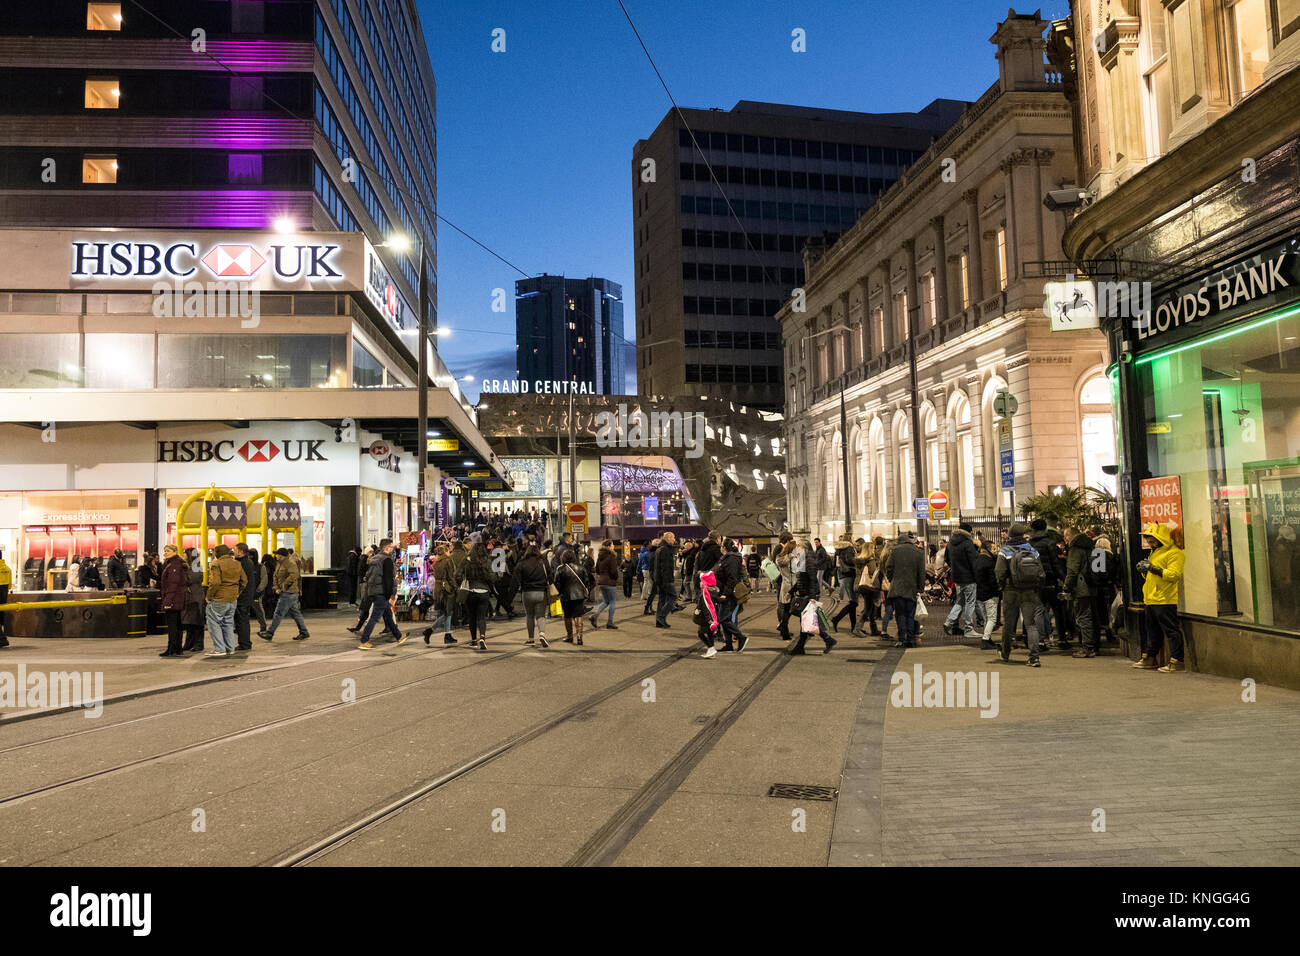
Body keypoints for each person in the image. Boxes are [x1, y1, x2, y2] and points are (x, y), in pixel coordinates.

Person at [1133, 522, 1186, 672]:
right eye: (1148, 540)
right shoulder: (1155, 552)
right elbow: (1154, 576)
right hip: (1151, 598)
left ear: (1161, 538)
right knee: (1153, 631)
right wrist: (1145, 570)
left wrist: (1152, 568)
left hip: (1165, 599)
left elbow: (1174, 575)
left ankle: (1177, 661)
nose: (1150, 543)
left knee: (1171, 631)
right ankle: (1150, 657)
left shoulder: (1174, 553)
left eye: (1152, 540)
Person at [995, 523, 1044, 667]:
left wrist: (1002, 586)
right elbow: (1041, 572)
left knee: (1009, 624)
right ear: (1023, 534)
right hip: (1029, 591)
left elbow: (999, 572)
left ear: (1009, 535)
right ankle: (1034, 657)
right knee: (1031, 624)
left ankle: (1005, 653)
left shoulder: (1005, 551)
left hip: (1011, 591)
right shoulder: (1032, 550)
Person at [357, 538, 406, 649]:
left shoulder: (374, 559)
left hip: (373, 591)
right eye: (392, 547)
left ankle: (398, 636)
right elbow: (389, 579)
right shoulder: (386, 560)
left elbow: (369, 576)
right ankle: (364, 640)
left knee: (388, 615)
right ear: (387, 548)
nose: (393, 549)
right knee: (374, 617)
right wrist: (392, 594)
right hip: (382, 592)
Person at [1029, 519, 1067, 648]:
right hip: (1050, 580)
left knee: (1039, 610)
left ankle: (1041, 640)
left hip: (1035, 581)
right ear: (1045, 528)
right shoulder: (1050, 543)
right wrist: (1063, 578)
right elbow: (1055, 564)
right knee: (1057, 610)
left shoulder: (1029, 544)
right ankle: (1062, 639)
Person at [882, 532, 925, 649]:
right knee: (911, 615)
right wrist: (920, 588)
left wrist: (892, 580)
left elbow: (888, 567)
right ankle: (910, 639)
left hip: (897, 587)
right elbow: (921, 573)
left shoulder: (895, 551)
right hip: (911, 588)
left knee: (900, 614)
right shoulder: (919, 552)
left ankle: (902, 639)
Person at [1062, 526, 1099, 658]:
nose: (1065, 540)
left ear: (1069, 536)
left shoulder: (1076, 549)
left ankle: (1088, 648)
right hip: (1092, 586)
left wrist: (1066, 587)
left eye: (1065, 536)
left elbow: (1072, 570)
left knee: (1083, 617)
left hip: (1081, 587)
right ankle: (1094, 645)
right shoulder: (1091, 546)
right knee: (1092, 617)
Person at [204, 544, 246, 657]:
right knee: (228, 623)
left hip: (219, 598)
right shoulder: (237, 563)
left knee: (213, 622)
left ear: (217, 553)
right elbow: (244, 581)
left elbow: (215, 583)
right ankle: (230, 648)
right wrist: (237, 592)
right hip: (232, 599)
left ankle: (219, 649)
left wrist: (209, 596)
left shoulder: (216, 564)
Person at [262, 548, 310, 642]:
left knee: (278, 613)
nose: (275, 556)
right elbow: (275, 576)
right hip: (287, 592)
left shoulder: (290, 563)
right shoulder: (280, 563)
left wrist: (283, 586)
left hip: (289, 592)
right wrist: (276, 587)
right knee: (296, 613)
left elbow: (294, 575)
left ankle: (269, 633)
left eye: (277, 554)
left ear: (281, 555)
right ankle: (304, 632)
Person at [942, 523, 980, 637]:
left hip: (957, 578)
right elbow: (974, 562)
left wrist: (956, 568)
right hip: (969, 578)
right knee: (970, 603)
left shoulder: (950, 543)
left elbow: (947, 560)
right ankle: (969, 629)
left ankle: (949, 621)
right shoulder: (968, 543)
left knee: (960, 601)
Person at [513, 544, 552, 648]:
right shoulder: (543, 561)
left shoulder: (522, 562)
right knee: (541, 615)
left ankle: (531, 639)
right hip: (541, 592)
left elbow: (516, 577)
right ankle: (542, 634)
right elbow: (550, 574)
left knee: (529, 616)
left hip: (527, 593)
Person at [714, 537, 749, 652]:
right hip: (724, 591)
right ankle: (728, 644)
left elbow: (732, 578)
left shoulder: (732, 559)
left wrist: (725, 593)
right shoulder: (727, 558)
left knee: (723, 619)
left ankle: (741, 637)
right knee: (726, 618)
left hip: (729, 593)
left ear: (724, 547)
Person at [1087, 530, 1121, 644]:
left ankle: (1099, 639)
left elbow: (1096, 574)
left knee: (1100, 612)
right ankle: (1109, 633)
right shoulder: (1111, 556)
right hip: (1108, 587)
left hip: (1099, 588)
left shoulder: (1096, 554)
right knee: (1109, 612)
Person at [461, 541, 495, 650]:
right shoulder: (487, 561)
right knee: (481, 617)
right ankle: (482, 637)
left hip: (471, 592)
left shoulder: (468, 561)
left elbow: (457, 574)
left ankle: (473, 640)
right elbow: (492, 577)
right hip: (484, 592)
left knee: (472, 616)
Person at [158, 545, 189, 658]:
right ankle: (177, 648)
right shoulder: (175, 563)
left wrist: (167, 601)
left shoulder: (174, 564)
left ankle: (172, 648)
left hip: (174, 598)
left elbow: (172, 584)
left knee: (172, 625)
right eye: (165, 551)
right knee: (177, 624)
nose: (165, 553)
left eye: (168, 551)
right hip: (178, 598)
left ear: (175, 551)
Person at [555, 549, 589, 645]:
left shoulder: (560, 569)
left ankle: (569, 636)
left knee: (567, 616)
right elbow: (586, 581)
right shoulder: (581, 568)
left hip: (566, 596)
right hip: (579, 595)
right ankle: (579, 637)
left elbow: (557, 583)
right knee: (578, 614)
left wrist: (559, 593)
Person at [973, 539, 1000, 650]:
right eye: (993, 548)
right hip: (989, 594)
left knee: (986, 618)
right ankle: (985, 640)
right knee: (992, 619)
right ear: (988, 549)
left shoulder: (977, 560)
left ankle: (988, 639)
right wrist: (997, 592)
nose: (995, 551)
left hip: (979, 593)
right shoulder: (990, 562)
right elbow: (992, 580)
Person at [232, 542, 259, 652]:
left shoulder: (242, 563)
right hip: (246, 596)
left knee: (241, 621)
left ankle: (244, 643)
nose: (234, 551)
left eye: (235, 549)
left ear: (240, 551)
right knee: (243, 620)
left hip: (242, 597)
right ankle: (245, 642)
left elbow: (241, 581)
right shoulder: (248, 562)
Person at [589, 539, 620, 630]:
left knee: (606, 601)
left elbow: (597, 570)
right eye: (612, 544)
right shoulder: (611, 556)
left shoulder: (599, 556)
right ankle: (610, 622)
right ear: (609, 546)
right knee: (612, 602)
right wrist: (615, 578)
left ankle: (594, 616)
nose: (613, 546)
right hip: (610, 582)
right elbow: (614, 571)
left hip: (601, 581)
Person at [830, 534, 859, 633]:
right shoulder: (849, 547)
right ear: (850, 538)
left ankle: (853, 627)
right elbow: (850, 560)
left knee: (852, 601)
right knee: (854, 602)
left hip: (842, 574)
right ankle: (836, 619)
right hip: (849, 574)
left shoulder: (839, 549)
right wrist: (858, 559)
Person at [652, 532, 678, 628]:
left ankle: (659, 621)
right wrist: (667, 580)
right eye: (673, 538)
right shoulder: (665, 550)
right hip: (665, 579)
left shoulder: (660, 548)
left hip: (659, 579)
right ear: (668, 538)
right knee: (673, 597)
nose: (674, 540)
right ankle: (661, 617)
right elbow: (665, 567)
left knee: (662, 599)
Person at [180, 566, 206, 652]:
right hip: (189, 596)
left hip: (196, 596)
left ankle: (198, 643)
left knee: (197, 621)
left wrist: (181, 575)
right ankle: (189, 642)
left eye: (184, 554)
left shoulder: (196, 567)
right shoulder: (186, 567)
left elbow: (191, 579)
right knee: (189, 621)